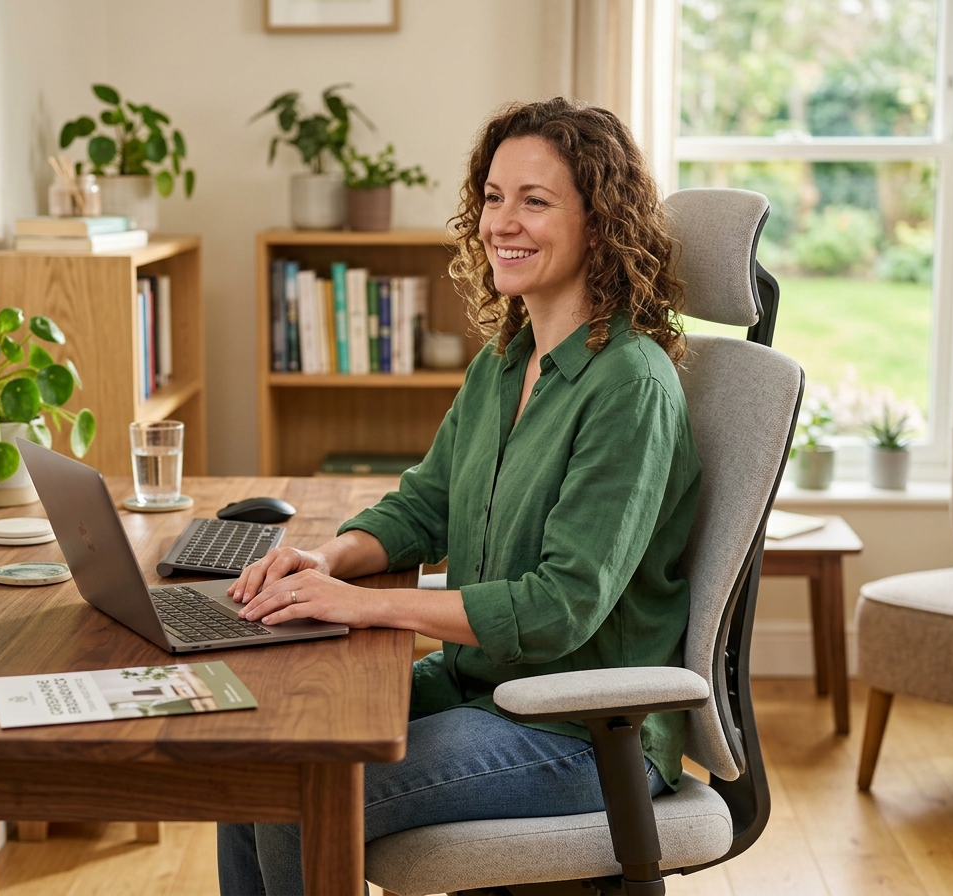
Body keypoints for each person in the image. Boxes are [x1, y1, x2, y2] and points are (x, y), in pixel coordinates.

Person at [218, 96, 700, 895]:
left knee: (295, 799)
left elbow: (559, 608)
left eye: (535, 201)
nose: (502, 222)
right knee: (260, 755)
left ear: (600, 223)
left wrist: (366, 607)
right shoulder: (506, 362)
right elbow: (424, 506)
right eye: (494, 197)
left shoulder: (629, 387)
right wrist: (326, 556)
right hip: (479, 687)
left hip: (581, 731)